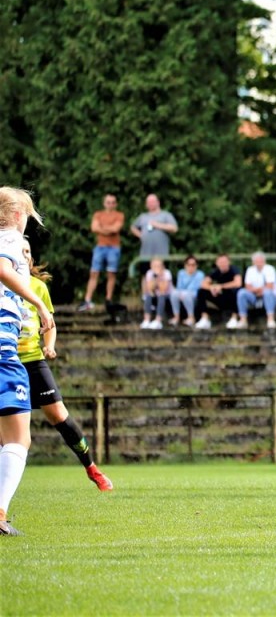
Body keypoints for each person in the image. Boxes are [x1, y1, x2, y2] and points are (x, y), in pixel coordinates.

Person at [18, 240, 113, 491]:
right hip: (7, 362)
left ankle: (91, 468)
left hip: (33, 360)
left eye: (28, 251)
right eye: (20, 251)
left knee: (60, 416)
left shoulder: (38, 287)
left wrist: (49, 345)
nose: (25, 255)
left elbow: (49, 324)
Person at [0, 187, 54, 536]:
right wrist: (36, 303)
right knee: (19, 437)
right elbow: (2, 268)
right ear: (19, 215)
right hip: (2, 350)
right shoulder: (11, 239)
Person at [79, 193, 124, 311]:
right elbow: (94, 228)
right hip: (100, 247)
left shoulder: (119, 215)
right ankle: (87, 300)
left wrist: (102, 228)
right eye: (108, 202)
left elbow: (116, 229)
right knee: (94, 272)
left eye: (113, 202)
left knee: (111, 273)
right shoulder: (98, 214)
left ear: (116, 204)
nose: (110, 205)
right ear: (104, 203)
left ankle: (108, 299)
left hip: (114, 248)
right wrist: (109, 229)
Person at [231, 251, 276, 329]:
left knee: (267, 293)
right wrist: (259, 290)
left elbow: (269, 286)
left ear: (264, 261)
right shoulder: (250, 270)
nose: (259, 263)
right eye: (257, 261)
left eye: (260, 261)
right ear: (253, 262)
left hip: (269, 297)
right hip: (254, 296)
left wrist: (256, 290)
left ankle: (271, 319)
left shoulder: (270, 269)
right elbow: (247, 286)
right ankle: (243, 320)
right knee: (241, 293)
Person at [193, 254, 241, 330]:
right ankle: (205, 319)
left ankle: (234, 318)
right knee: (201, 291)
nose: (223, 264)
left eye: (224, 262)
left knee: (236, 291)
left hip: (232, 298)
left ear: (229, 262)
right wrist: (212, 288)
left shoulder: (234, 269)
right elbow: (203, 284)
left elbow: (238, 283)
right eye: (220, 262)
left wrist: (221, 286)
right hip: (221, 298)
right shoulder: (215, 271)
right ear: (217, 263)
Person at [129, 193, 178, 263]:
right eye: (148, 202)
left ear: (158, 202)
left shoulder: (166, 215)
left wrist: (157, 225)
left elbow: (174, 228)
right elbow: (133, 227)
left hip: (161, 255)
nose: (150, 204)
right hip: (145, 255)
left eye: (152, 201)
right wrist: (141, 235)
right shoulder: (143, 216)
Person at [169, 255, 204, 327]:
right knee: (174, 293)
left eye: (193, 265)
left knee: (186, 294)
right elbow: (179, 287)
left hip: (194, 296)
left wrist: (185, 293)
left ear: (196, 266)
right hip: (183, 294)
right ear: (185, 265)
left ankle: (191, 317)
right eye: (188, 264)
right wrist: (181, 294)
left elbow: (198, 290)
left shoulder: (200, 274)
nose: (191, 267)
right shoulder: (181, 273)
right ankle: (176, 317)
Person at [140, 257, 171, 329]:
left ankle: (158, 320)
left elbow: (163, 289)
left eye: (159, 266)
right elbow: (149, 288)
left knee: (161, 296)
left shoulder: (167, 273)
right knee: (148, 295)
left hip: (166, 295)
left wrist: (159, 276)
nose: (157, 268)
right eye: (155, 266)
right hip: (155, 294)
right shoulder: (149, 273)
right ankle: (146, 319)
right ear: (151, 266)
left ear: (163, 266)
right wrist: (155, 277)